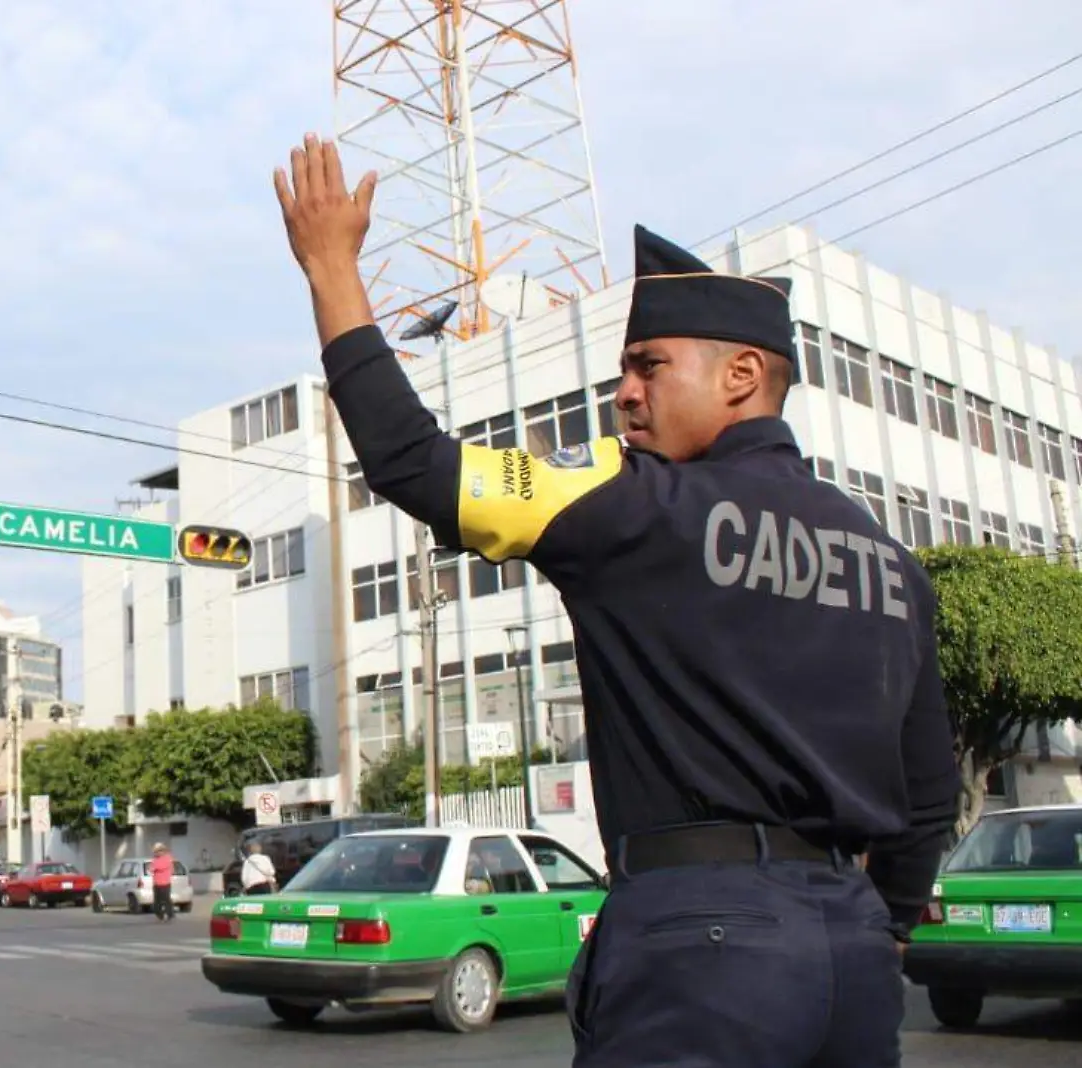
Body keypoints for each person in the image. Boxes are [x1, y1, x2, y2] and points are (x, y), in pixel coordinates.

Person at [271, 135, 959, 1067]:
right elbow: (926, 795)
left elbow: (412, 461)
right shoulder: (891, 563)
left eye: (649, 367)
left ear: (741, 376)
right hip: (850, 954)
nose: (624, 396)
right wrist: (882, 934)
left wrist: (331, 268)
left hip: (698, 942)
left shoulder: (635, 503)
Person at [148, 844, 176, 923]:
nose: (156, 853)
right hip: (156, 883)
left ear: (162, 851)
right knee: (157, 902)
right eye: (155, 851)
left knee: (166, 900)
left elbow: (162, 867)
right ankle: (160, 915)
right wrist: (154, 868)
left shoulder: (167, 858)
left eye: (158, 851)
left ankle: (169, 914)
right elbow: (151, 869)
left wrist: (156, 868)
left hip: (165, 883)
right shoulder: (155, 859)